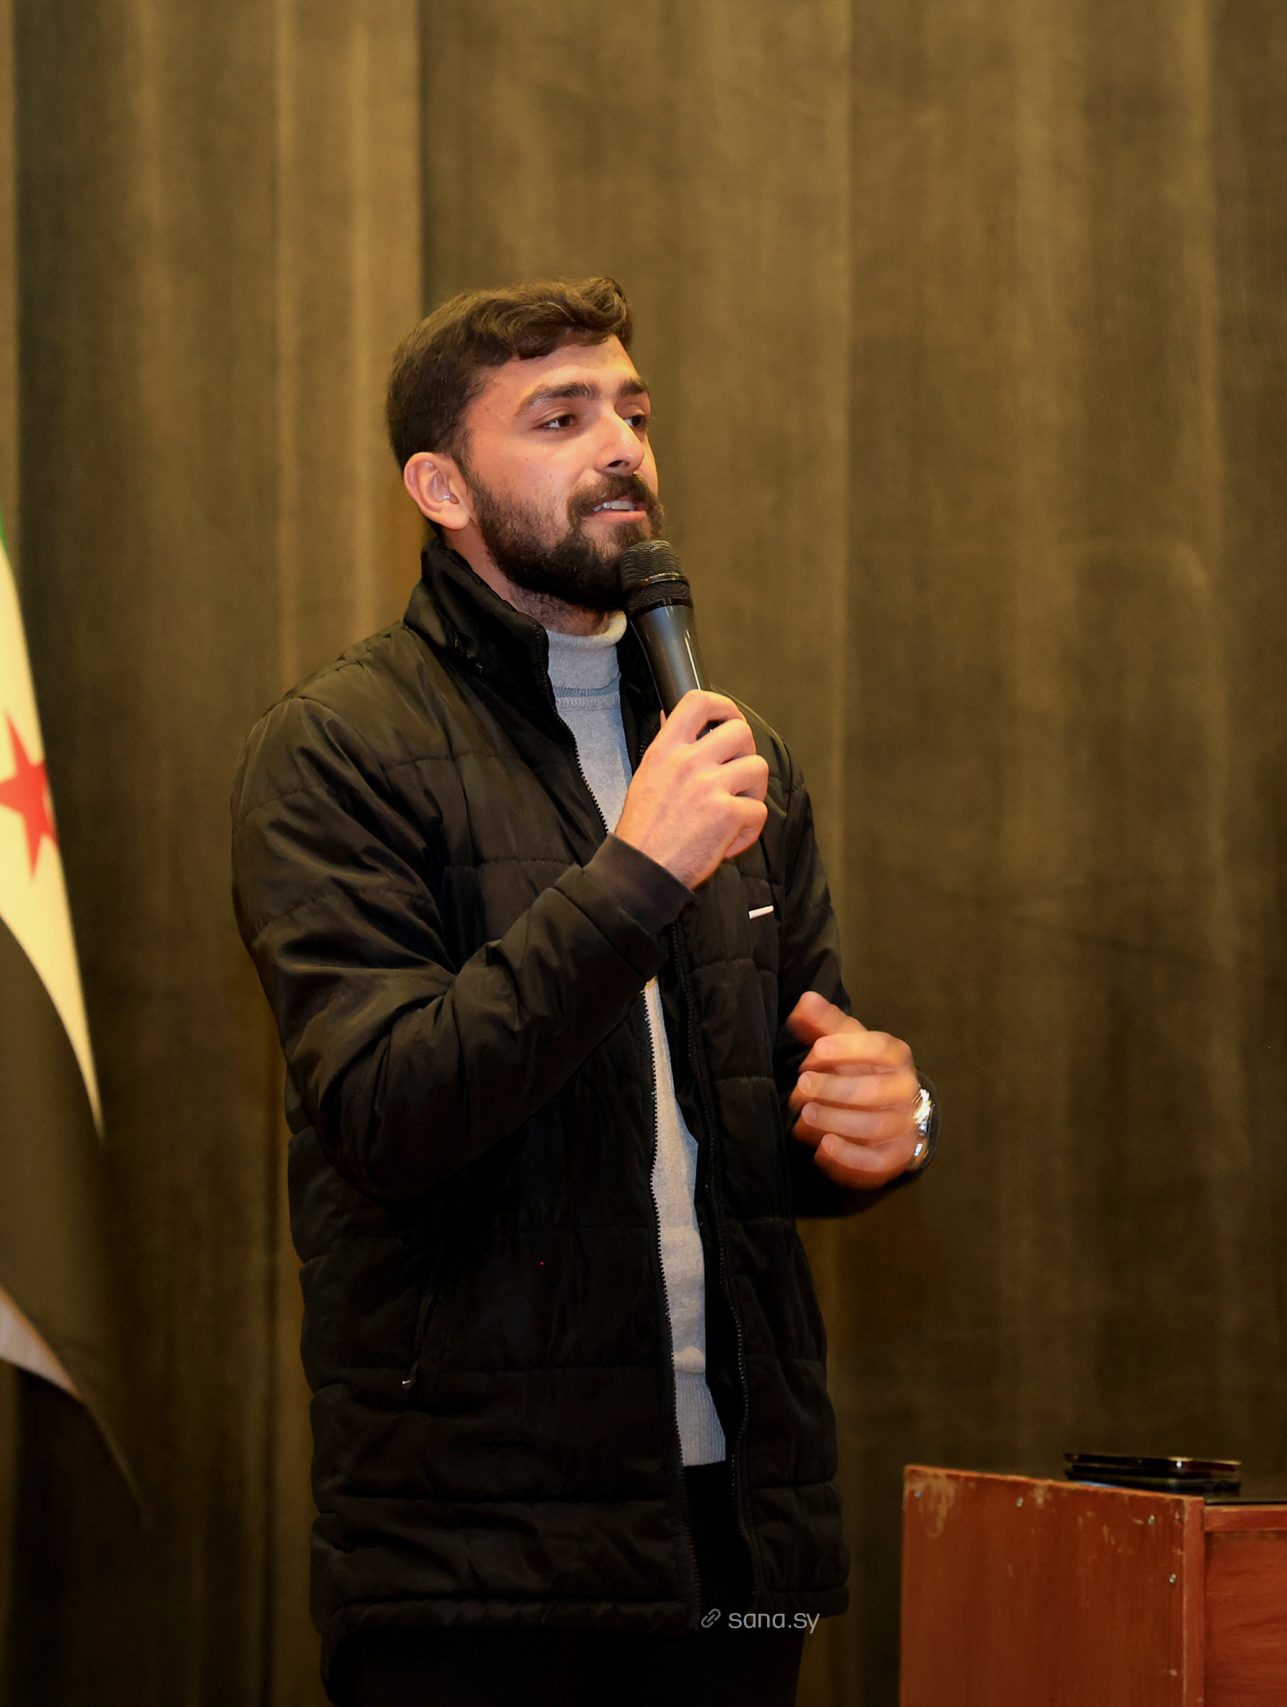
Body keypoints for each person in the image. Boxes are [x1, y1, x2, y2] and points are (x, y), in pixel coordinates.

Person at [230, 277, 935, 1706]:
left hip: (739, 1536)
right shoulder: (335, 750)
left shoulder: (730, 756)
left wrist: (883, 1124)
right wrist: (631, 878)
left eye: (633, 411)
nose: (621, 447)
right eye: (559, 419)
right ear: (440, 487)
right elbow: (387, 1112)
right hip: (475, 1557)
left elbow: (785, 1094)